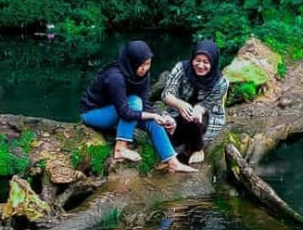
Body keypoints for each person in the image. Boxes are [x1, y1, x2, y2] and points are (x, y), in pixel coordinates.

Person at [79, 40, 197, 173]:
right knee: (135, 102)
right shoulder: (115, 77)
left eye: (147, 63)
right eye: (140, 65)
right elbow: (125, 112)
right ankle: (120, 148)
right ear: (131, 62)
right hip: (93, 114)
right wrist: (153, 114)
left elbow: (145, 104)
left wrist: (163, 117)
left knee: (153, 121)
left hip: (119, 110)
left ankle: (172, 162)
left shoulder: (143, 76)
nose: (144, 68)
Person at [162, 39, 229, 165]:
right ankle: (178, 147)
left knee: (195, 121)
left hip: (206, 116)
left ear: (213, 63)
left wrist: (198, 110)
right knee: (166, 130)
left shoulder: (221, 82)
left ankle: (197, 149)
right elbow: (166, 94)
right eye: (197, 60)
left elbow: (208, 104)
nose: (200, 65)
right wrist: (179, 104)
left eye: (206, 62)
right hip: (177, 112)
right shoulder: (181, 68)